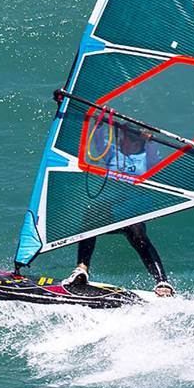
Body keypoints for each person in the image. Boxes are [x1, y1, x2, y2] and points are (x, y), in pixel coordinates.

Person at [64, 123, 175, 297]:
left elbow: (154, 154)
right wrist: (100, 122)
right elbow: (99, 142)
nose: (122, 140)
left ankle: (162, 281)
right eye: (121, 136)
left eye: (127, 138)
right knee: (90, 216)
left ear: (137, 144)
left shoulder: (146, 159)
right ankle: (81, 269)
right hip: (111, 210)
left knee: (139, 236)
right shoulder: (112, 154)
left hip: (132, 212)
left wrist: (150, 140)